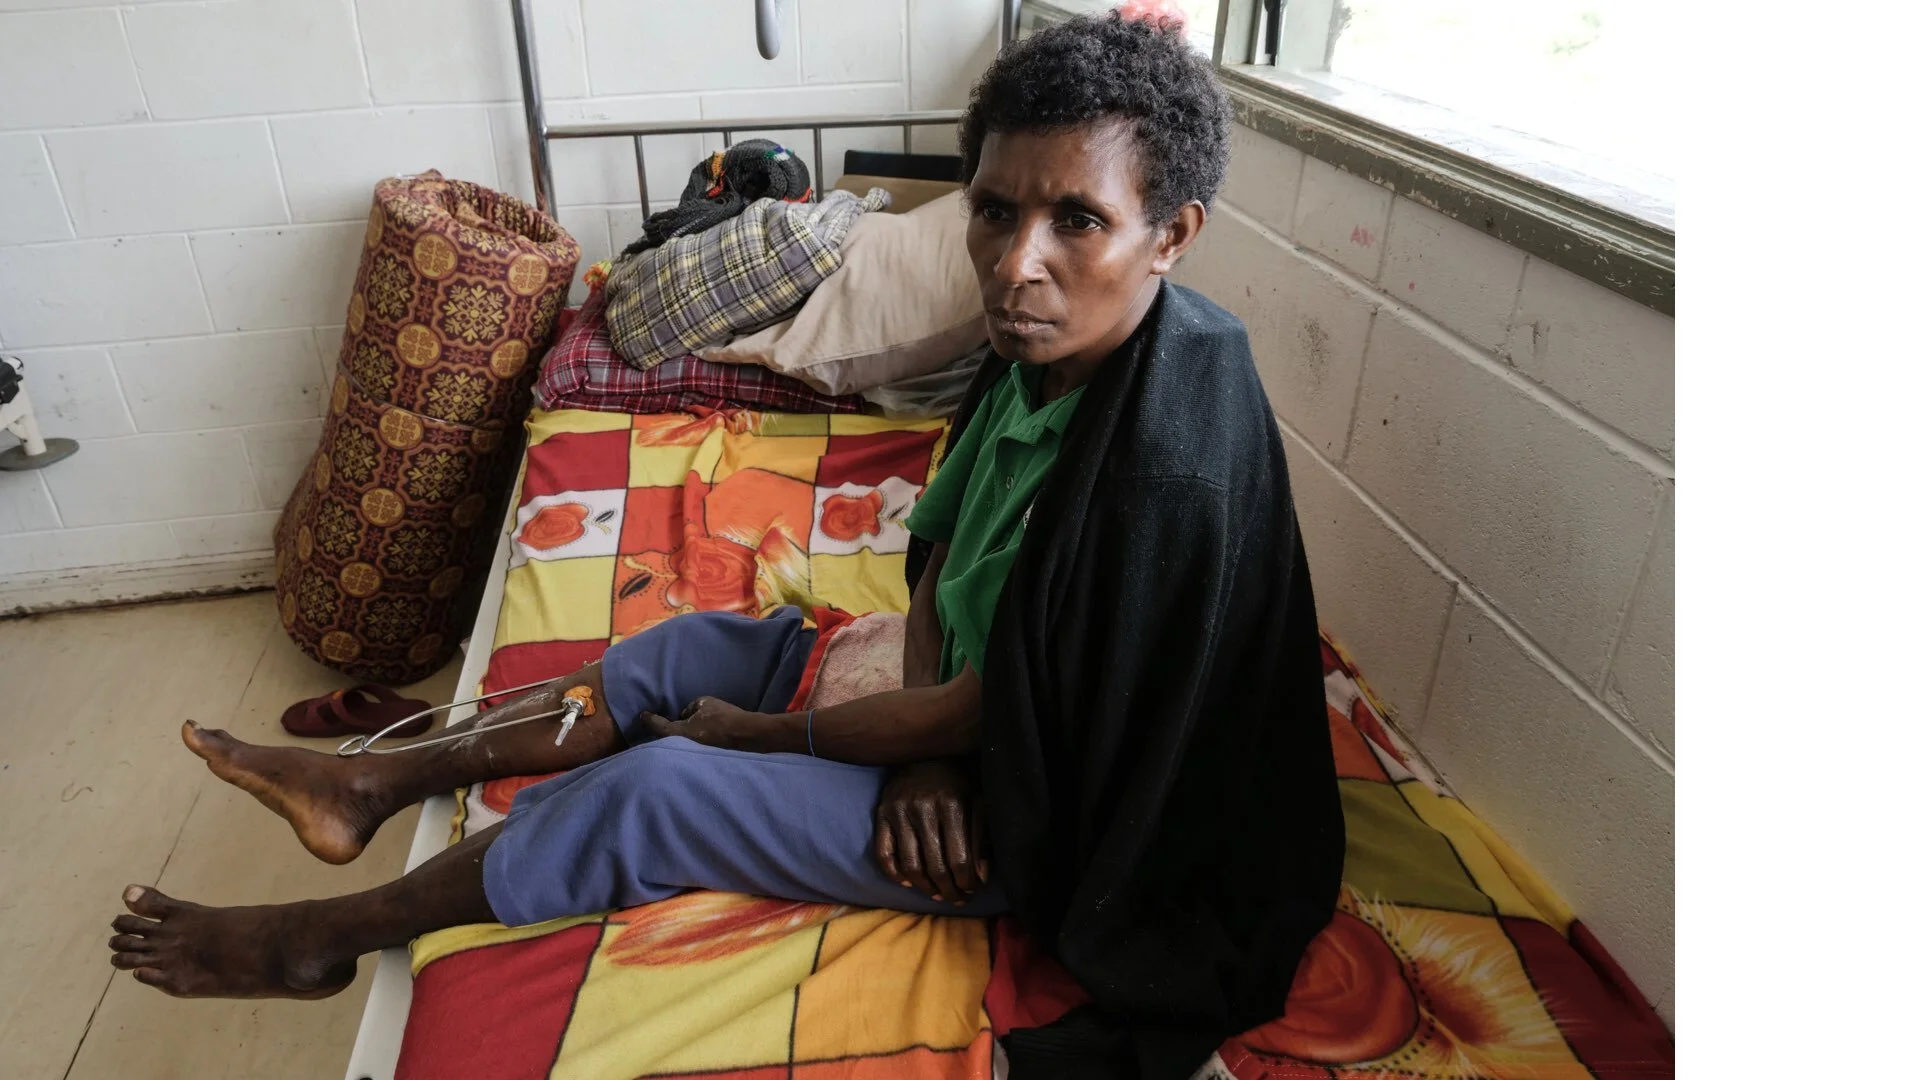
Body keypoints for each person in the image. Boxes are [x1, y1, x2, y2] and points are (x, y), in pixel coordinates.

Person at [106, 13, 1343, 1079]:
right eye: (996, 211)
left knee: (664, 785)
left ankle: (319, 940)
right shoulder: (1039, 357)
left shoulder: (1161, 460)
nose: (1019, 263)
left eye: (1079, 220)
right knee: (686, 647)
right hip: (968, 730)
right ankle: (376, 778)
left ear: (1172, 235)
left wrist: (784, 740)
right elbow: (939, 566)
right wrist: (915, 741)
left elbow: (1024, 718)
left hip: (1045, 820)